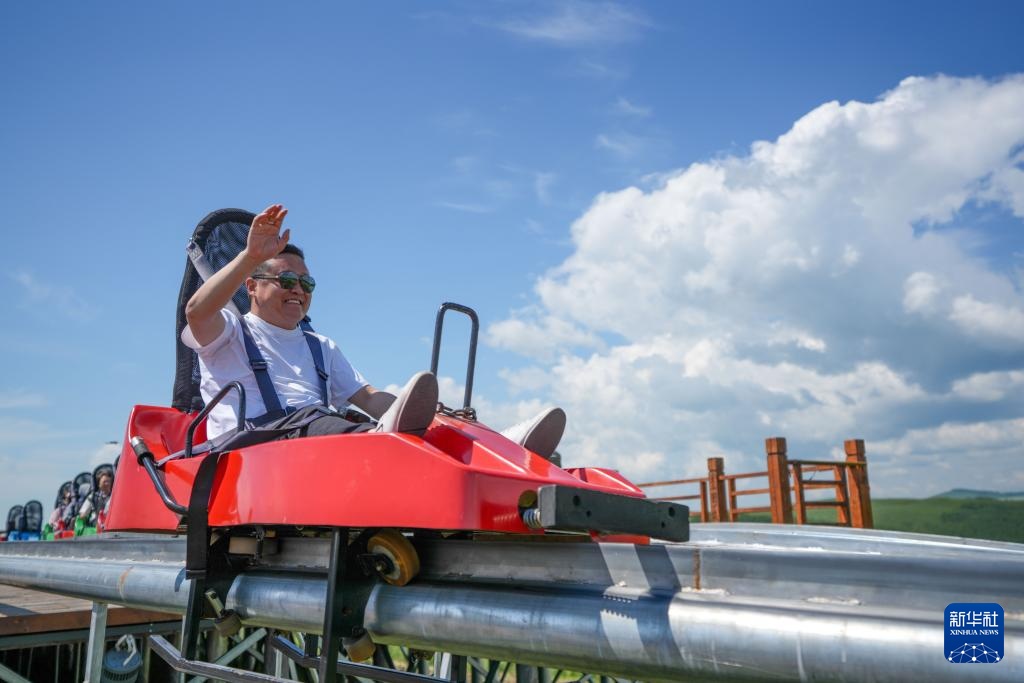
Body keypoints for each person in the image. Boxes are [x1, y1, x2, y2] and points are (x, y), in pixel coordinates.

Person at [181, 204, 565, 454]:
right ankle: (386, 442)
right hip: (250, 449)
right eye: (286, 280)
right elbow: (197, 312)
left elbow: (369, 398)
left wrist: (432, 415)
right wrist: (250, 256)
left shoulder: (320, 347)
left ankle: (495, 448)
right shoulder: (229, 332)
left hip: (310, 440)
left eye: (307, 283)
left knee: (367, 423)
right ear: (252, 286)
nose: (298, 290)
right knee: (330, 424)